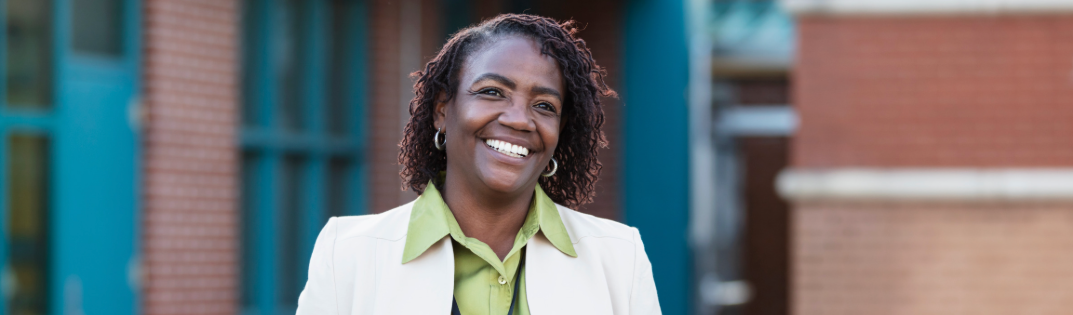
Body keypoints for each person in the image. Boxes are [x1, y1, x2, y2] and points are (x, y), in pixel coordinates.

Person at [296, 13, 661, 315]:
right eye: (492, 92)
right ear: (442, 109)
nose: (520, 120)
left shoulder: (619, 257)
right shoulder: (348, 254)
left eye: (545, 105)